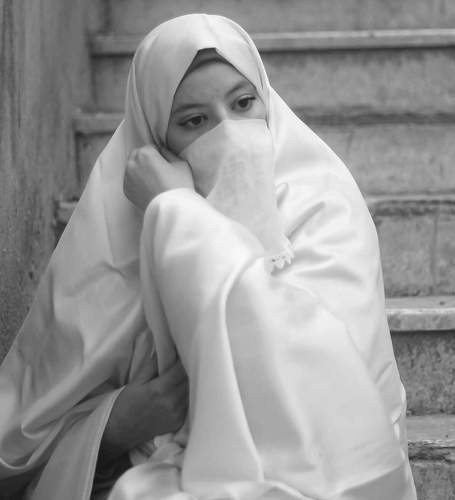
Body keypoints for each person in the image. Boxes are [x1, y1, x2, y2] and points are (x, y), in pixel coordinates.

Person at [0, 14, 417, 500]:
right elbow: (18, 442)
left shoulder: (324, 206)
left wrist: (175, 210)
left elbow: (324, 396)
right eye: (194, 121)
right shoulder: (111, 241)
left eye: (243, 103)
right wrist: (113, 425)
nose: (231, 134)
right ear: (156, 141)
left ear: (267, 103)